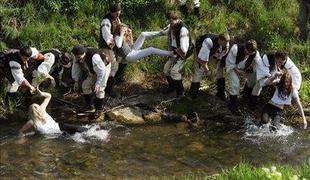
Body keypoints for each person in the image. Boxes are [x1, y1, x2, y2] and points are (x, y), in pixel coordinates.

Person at [152, 11, 192, 98]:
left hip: (183, 54)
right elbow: (164, 31)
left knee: (175, 72)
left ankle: (180, 93)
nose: (170, 23)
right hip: (174, 52)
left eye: (171, 21)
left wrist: (177, 56)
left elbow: (184, 48)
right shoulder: (172, 26)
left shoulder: (183, 29)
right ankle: (172, 87)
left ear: (176, 19)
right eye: (169, 21)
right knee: (166, 69)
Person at [18, 88, 88, 135]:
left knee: (80, 130)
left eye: (38, 109)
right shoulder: (32, 122)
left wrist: (41, 94)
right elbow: (21, 131)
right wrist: (22, 138)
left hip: (60, 128)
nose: (39, 111)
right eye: (36, 111)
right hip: (55, 136)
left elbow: (49, 96)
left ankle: (94, 132)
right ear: (33, 113)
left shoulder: (42, 109)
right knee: (78, 136)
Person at [71, 45, 110, 118]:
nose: (77, 58)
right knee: (85, 85)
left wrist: (98, 83)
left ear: (84, 54)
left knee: (100, 89)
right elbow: (75, 68)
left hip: (104, 68)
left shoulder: (94, 57)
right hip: (93, 69)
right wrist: (76, 81)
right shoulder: (76, 55)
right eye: (76, 56)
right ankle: (89, 106)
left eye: (79, 57)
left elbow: (101, 71)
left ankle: (99, 109)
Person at [190, 33, 230, 99]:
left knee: (220, 69)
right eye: (224, 43)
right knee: (198, 70)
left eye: (226, 44)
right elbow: (201, 60)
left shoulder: (226, 45)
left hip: (214, 52)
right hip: (200, 51)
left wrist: (216, 66)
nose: (225, 45)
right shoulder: (208, 41)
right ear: (220, 40)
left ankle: (221, 92)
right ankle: (193, 94)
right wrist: (207, 71)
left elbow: (220, 57)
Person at [225, 39, 260, 113]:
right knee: (236, 83)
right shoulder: (235, 49)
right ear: (245, 48)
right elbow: (230, 63)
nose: (249, 54)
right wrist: (239, 72)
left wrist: (250, 71)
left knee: (254, 76)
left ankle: (246, 97)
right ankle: (232, 104)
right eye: (248, 51)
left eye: (251, 52)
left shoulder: (255, 53)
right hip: (232, 67)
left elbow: (259, 65)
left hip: (243, 68)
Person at [99, 3, 122, 98]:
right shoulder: (106, 21)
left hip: (114, 47)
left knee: (119, 63)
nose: (118, 14)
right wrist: (117, 41)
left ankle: (115, 81)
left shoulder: (116, 18)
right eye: (116, 13)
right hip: (107, 48)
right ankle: (108, 89)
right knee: (112, 68)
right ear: (112, 12)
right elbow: (107, 38)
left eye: (119, 12)